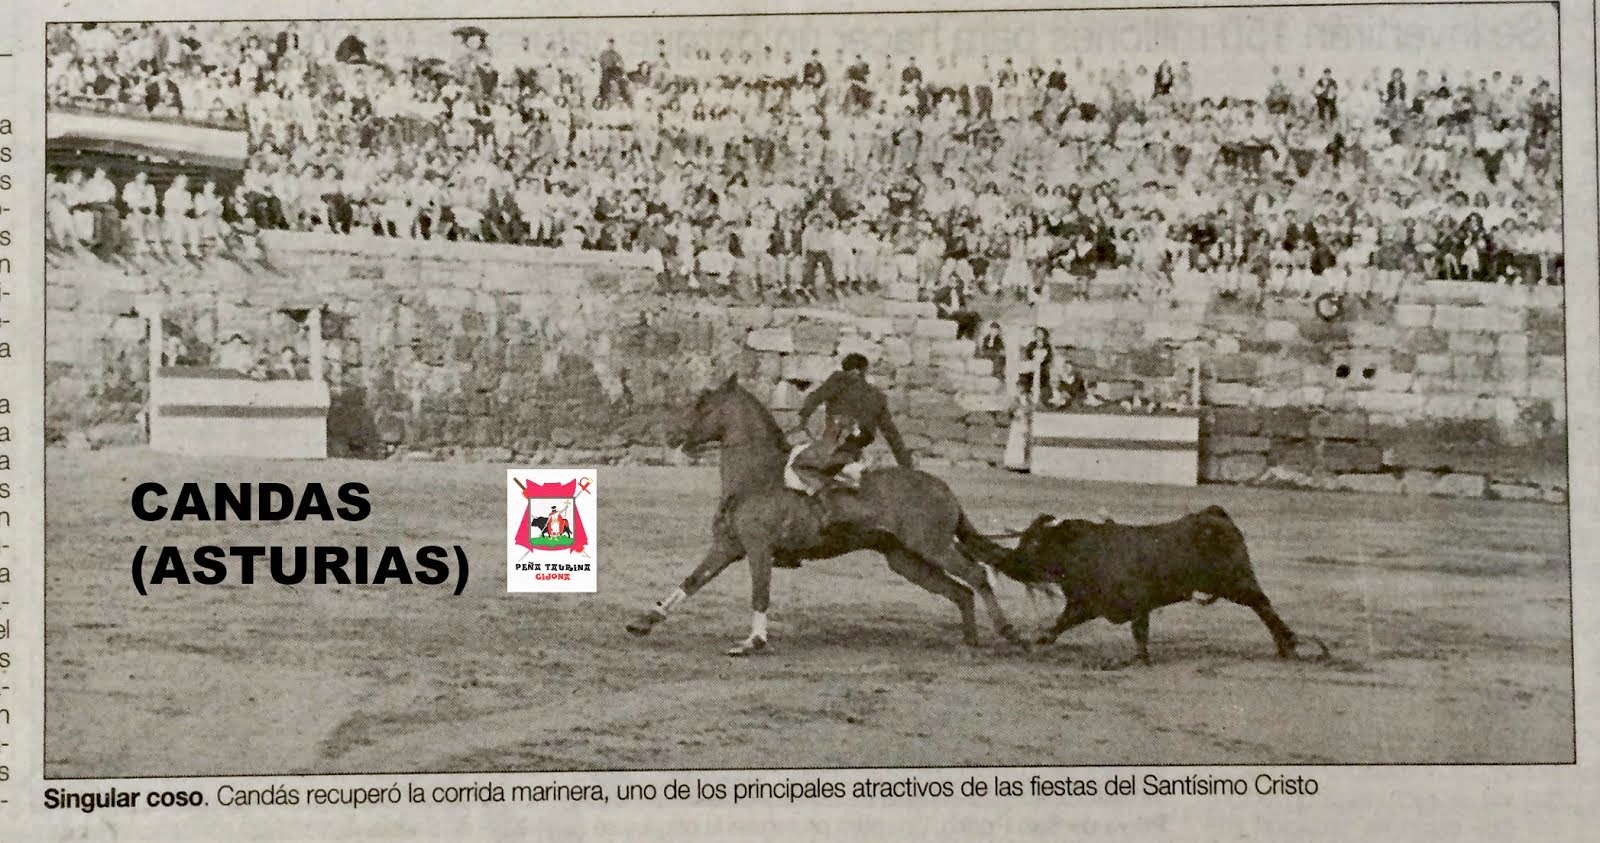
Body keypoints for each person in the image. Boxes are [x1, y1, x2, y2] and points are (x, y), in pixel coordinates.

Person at [788, 353, 913, 528]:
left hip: (834, 443)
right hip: (854, 451)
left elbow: (814, 398)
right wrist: (907, 466)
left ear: (846, 368)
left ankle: (827, 501)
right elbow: (892, 434)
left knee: (799, 465)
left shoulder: (839, 379)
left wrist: (802, 420)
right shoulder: (877, 396)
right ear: (864, 370)